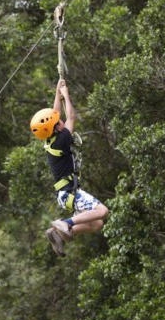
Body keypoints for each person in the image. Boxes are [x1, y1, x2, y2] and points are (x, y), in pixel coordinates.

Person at [29, 79, 109, 256]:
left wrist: (58, 93)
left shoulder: (51, 139)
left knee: (97, 224)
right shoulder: (63, 139)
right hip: (69, 193)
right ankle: (65, 223)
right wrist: (66, 95)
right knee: (102, 211)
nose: (61, 120)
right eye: (58, 121)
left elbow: (55, 113)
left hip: (65, 194)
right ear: (56, 127)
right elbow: (71, 117)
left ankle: (59, 232)